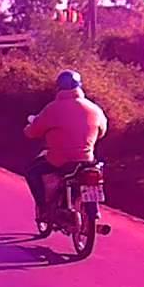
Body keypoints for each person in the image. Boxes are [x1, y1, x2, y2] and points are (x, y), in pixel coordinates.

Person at [23, 70, 108, 219]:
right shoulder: (94, 109)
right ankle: (92, 210)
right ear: (79, 86)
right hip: (87, 160)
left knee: (32, 172)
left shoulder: (52, 108)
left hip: (59, 160)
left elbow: (32, 132)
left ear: (59, 87)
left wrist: (29, 129)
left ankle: (43, 208)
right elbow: (102, 132)